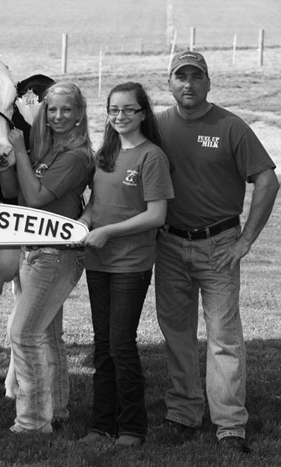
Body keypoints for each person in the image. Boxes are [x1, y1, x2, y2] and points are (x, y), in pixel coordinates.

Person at [155, 51, 279, 454]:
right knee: (177, 335)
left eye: (196, 77)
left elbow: (267, 180)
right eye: (180, 77)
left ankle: (229, 426)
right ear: (169, 83)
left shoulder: (230, 126)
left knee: (224, 338)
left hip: (220, 246)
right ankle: (183, 413)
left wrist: (245, 242)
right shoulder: (157, 126)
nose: (188, 84)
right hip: (169, 245)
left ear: (208, 83)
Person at [77, 82, 173, 447]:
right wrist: (85, 222)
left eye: (128, 110)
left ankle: (132, 427)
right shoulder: (106, 153)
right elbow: (95, 203)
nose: (120, 116)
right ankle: (101, 425)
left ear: (143, 113)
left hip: (131, 264)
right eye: (113, 109)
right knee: (102, 345)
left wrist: (109, 232)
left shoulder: (152, 157)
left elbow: (156, 214)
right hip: (97, 261)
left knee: (121, 343)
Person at [0, 82, 93, 433]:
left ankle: (33, 420)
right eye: (51, 109)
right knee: (47, 335)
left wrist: (21, 153)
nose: (57, 116)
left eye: (67, 109)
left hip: (56, 255)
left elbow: (36, 197)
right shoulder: (47, 149)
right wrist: (7, 157)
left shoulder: (76, 155)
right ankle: (57, 409)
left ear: (80, 114)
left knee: (23, 333)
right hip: (34, 251)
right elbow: (13, 191)